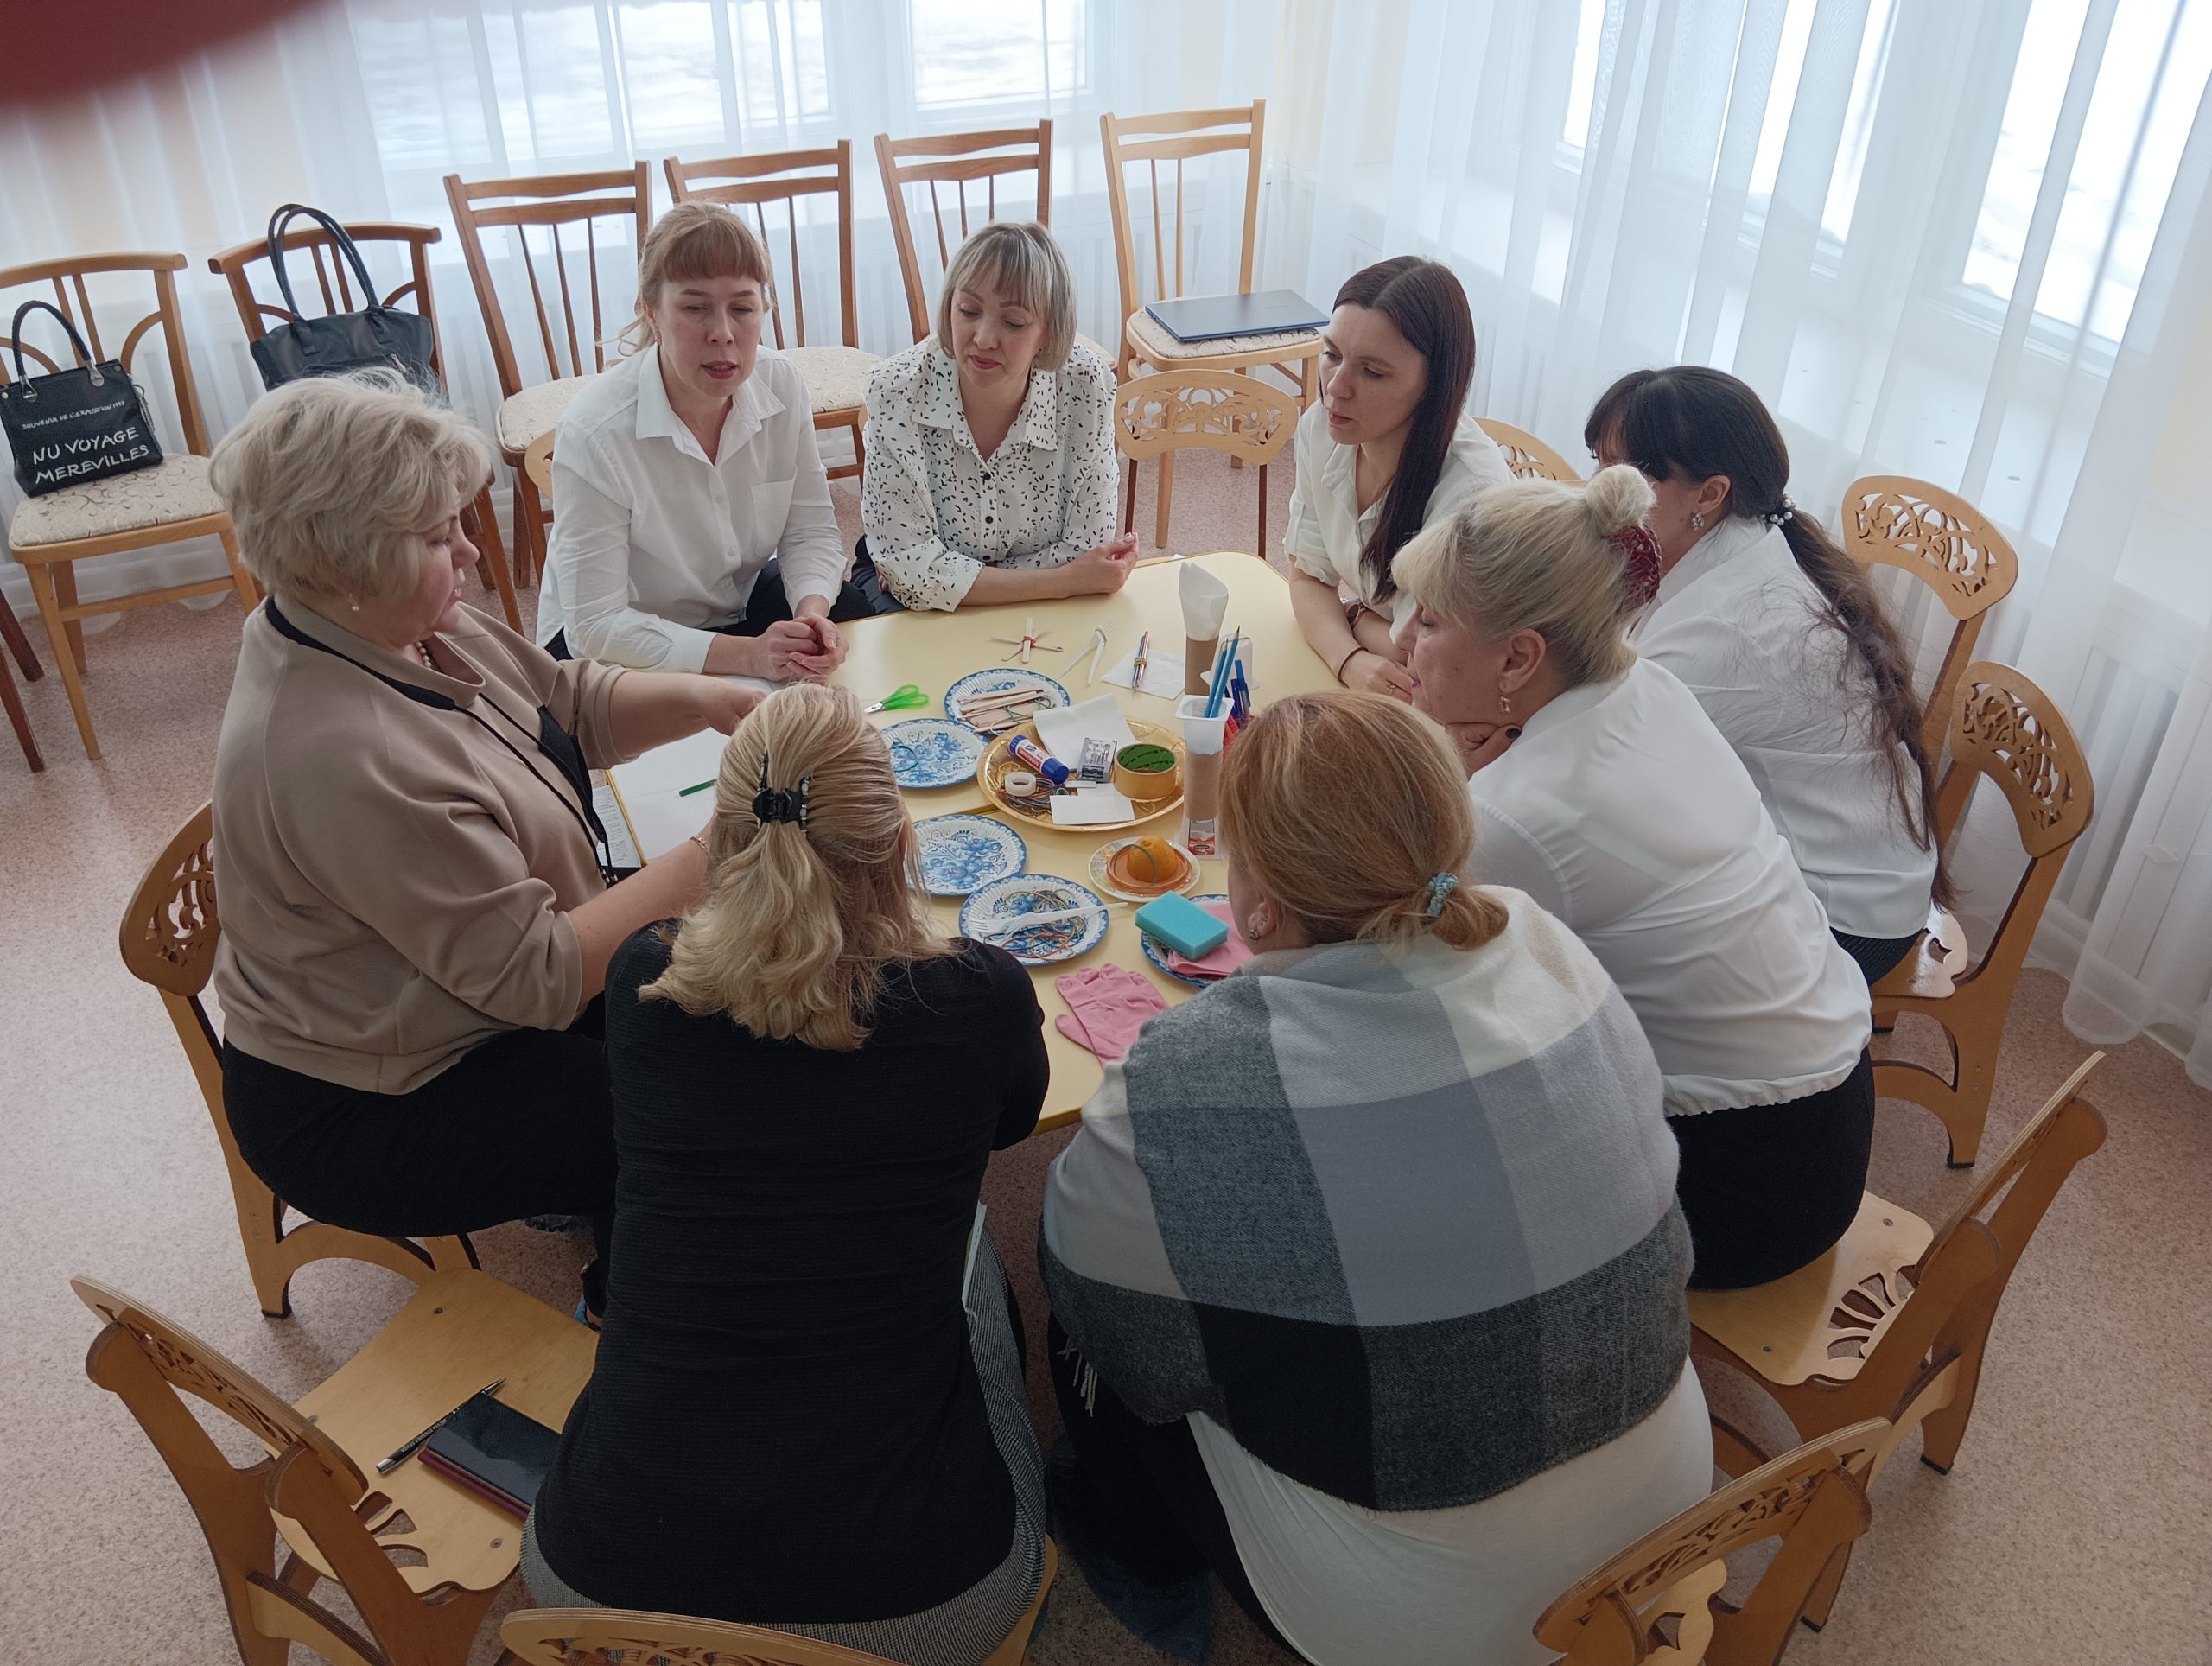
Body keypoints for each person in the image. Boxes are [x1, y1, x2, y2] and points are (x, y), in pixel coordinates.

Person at [1040, 691, 1708, 1666]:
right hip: (1670, 1510)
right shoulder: (1544, 941)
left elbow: (1111, 1321)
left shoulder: (1188, 1080)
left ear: (1257, 906)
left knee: (1082, 1335)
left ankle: (1140, 1556)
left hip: (1439, 1619)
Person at [207, 372, 759, 1314]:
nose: (468, 549)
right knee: (692, 1098)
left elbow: (564, 703)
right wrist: (724, 845)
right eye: (436, 536)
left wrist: (714, 699)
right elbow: (537, 976)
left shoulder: (395, 619)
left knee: (712, 999)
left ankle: (617, 1196)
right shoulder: (340, 752)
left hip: (476, 976)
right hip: (377, 1097)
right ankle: (633, 1314)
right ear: (341, 564)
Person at [525, 684, 1050, 1666]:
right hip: (926, 1596)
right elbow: (1013, 1123)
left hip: (599, 1581)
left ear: (716, 847)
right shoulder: (979, 997)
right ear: (899, 844)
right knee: (979, 1245)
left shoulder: (642, 982)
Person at [1397, 466, 1874, 1290]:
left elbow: (1404, 962)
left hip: (1742, 1180)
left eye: (1431, 620)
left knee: (1417, 1109)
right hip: (1831, 1104)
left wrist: (1458, 783)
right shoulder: (1645, 684)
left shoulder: (1522, 813)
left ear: (1519, 657)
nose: (1403, 639)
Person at [1586, 366, 1947, 983]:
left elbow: (1599, 760)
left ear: (1709, 494)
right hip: (1808, 860)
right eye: (1598, 462)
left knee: (1575, 907)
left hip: (1838, 922)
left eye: (1628, 472)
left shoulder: (1731, 629)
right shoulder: (1730, 544)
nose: (1596, 490)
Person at [539, 200, 879, 679]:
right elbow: (595, 625)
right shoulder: (596, 431)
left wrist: (810, 614)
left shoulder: (782, 384)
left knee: (847, 622)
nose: (723, 333)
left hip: (732, 605)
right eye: (695, 308)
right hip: (618, 638)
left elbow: (809, 531)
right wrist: (747, 655)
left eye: (742, 308)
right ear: (651, 313)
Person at [860, 220, 1136, 610]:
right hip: (924, 610)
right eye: (968, 311)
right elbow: (907, 568)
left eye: (1013, 322)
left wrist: (952, 577)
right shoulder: (895, 390)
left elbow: (1088, 546)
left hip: (964, 599)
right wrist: (1067, 581)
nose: (984, 339)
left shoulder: (1086, 385)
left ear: (1049, 332)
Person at [1285, 256, 1514, 702]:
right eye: (1332, 355)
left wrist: (1355, 616)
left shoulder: (1473, 495)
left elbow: (1424, 663)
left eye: (1372, 372)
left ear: (1434, 384)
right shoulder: (1320, 429)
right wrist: (1349, 658)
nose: (1335, 388)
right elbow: (1307, 578)